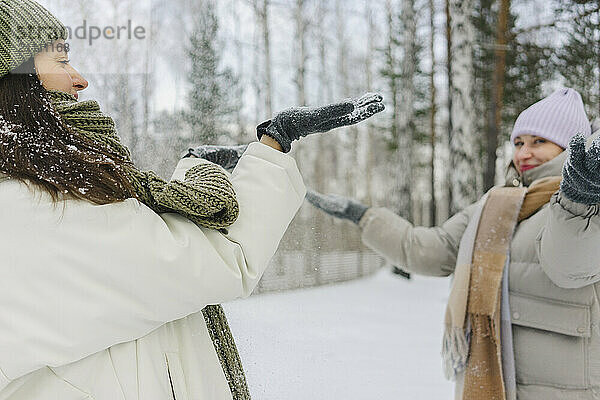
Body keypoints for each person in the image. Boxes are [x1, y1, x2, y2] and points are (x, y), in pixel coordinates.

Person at [0, 1, 384, 399]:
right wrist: (273, 147)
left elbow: (148, 248)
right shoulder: (34, 208)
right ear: (13, 80)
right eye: (60, 60)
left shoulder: (45, 194)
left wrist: (190, 170)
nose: (80, 80)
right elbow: (217, 257)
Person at [307, 88, 600, 400]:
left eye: (538, 142)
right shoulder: (495, 205)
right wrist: (363, 215)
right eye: (518, 142)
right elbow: (430, 250)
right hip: (494, 383)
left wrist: (577, 199)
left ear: (572, 147)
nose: (523, 153)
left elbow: (569, 267)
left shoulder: (589, 202)